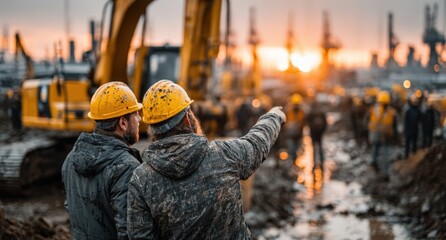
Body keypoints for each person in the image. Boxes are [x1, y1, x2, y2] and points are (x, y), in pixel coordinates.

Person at [127, 80, 286, 239]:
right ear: (188, 119)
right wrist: (273, 117)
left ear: (151, 129)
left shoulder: (141, 179)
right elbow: (257, 143)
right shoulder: (224, 155)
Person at [61, 81, 143, 240]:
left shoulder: (71, 159)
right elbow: (129, 232)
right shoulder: (127, 168)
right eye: (136, 114)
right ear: (123, 123)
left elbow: (71, 209)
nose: (139, 119)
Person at [366, 90, 398, 175]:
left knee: (375, 149)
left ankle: (374, 163)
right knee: (385, 153)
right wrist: (395, 136)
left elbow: (366, 121)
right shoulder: (392, 112)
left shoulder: (373, 109)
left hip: (375, 134)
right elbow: (395, 126)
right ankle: (385, 171)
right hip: (385, 135)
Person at [284, 93, 306, 161]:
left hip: (298, 131)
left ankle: (294, 158)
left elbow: (303, 121)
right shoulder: (288, 110)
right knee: (292, 146)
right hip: (291, 132)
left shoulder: (301, 110)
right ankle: (292, 158)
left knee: (296, 145)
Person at [307, 101, 328, 173]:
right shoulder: (321, 111)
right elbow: (325, 122)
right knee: (320, 147)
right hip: (320, 132)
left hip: (313, 132)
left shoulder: (311, 112)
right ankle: (322, 162)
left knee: (314, 148)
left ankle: (314, 162)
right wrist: (323, 130)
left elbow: (308, 122)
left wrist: (310, 130)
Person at [403, 94, 422, 158]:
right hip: (409, 129)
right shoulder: (408, 111)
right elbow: (405, 121)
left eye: (415, 101)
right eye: (414, 101)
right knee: (407, 144)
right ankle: (406, 156)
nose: (415, 102)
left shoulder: (418, 110)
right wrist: (405, 130)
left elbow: (420, 120)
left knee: (414, 143)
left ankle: (414, 155)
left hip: (415, 129)